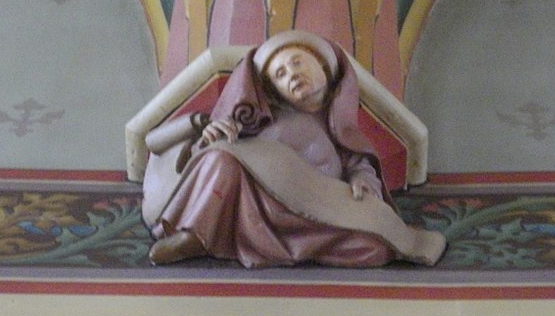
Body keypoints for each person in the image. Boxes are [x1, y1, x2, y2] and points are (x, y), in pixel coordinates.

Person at [145, 30, 446, 268]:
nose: (291, 74)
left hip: (313, 214)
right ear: (274, 92)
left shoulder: (338, 127)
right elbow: (172, 143)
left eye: (297, 62)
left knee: (374, 248)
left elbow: (358, 163)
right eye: (280, 75)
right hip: (259, 208)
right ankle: (195, 235)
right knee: (222, 158)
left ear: (323, 65)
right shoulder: (259, 122)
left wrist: (363, 182)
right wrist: (206, 129)